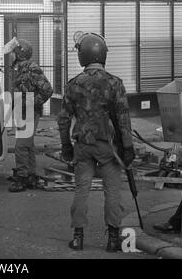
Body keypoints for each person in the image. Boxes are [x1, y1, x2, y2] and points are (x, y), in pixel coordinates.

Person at [57, 32, 135, 252]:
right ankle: (112, 239)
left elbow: (63, 119)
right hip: (109, 146)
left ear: (83, 56)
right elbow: (123, 119)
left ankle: (78, 237)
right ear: (103, 55)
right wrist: (128, 148)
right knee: (112, 191)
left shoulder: (73, 84)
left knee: (82, 189)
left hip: (83, 145)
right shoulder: (115, 83)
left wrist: (66, 146)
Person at [6, 39, 53, 193]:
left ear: (21, 53)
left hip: (30, 111)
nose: (11, 55)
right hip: (23, 110)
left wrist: (31, 103)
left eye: (14, 52)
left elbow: (48, 90)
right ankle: (30, 175)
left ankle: (22, 178)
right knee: (28, 145)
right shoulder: (21, 69)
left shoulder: (32, 69)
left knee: (21, 145)